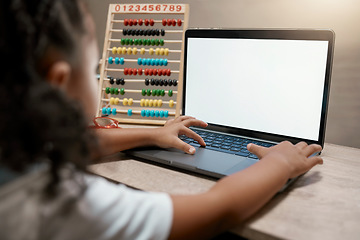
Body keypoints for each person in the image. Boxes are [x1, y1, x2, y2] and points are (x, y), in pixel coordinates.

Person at [0, 0, 323, 239]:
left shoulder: (16, 146)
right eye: (93, 68)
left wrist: (152, 134)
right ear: (58, 83)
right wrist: (280, 164)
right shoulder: (59, 204)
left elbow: (79, 141)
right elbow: (216, 210)